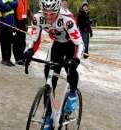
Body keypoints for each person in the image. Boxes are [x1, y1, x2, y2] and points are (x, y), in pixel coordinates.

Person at [23, 0, 84, 129]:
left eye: (52, 14)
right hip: (56, 45)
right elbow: (35, 39)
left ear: (58, 10)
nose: (49, 17)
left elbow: (79, 43)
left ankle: (72, 95)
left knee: (71, 70)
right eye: (46, 13)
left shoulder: (67, 19)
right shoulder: (37, 18)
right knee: (49, 80)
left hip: (71, 44)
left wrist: (76, 60)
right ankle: (48, 116)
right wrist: (29, 52)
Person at [0, 0, 17, 66]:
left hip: (10, 21)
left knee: (9, 41)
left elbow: (16, 3)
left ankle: (8, 59)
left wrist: (8, 4)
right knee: (4, 41)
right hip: (3, 21)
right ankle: (5, 59)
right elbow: (4, 7)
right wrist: (9, 5)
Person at [13, 0, 27, 65]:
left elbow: (25, 12)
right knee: (17, 41)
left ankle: (21, 57)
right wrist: (14, 24)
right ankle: (17, 58)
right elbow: (12, 12)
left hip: (23, 22)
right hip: (16, 22)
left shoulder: (24, 1)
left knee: (23, 41)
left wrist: (26, 23)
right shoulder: (15, 1)